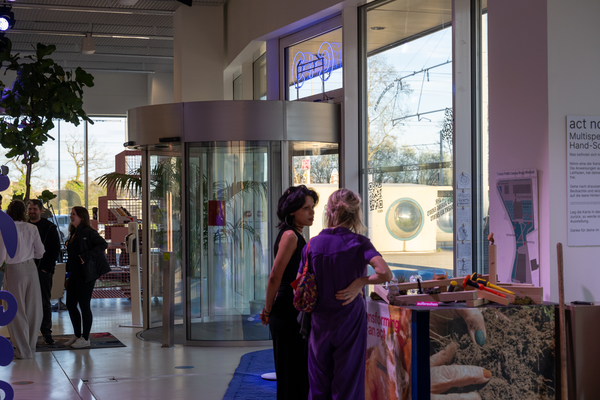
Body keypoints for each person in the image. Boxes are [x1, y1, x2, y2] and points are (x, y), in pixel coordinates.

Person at [301, 188, 392, 400]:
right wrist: (360, 282)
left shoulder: (312, 244)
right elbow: (385, 273)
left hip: (320, 321)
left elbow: (299, 283)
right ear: (355, 213)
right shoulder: (359, 243)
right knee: (349, 383)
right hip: (350, 320)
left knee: (318, 381)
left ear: (329, 211)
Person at [260, 185, 319, 400]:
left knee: (296, 372)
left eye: (312, 207)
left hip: (291, 308)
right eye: (306, 208)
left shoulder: (295, 235)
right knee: (291, 373)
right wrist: (267, 310)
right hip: (286, 310)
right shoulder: (290, 236)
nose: (312, 212)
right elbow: (275, 276)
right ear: (292, 211)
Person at [1, 200, 45, 359]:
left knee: (15, 310)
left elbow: (1, 256)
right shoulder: (32, 228)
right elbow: (40, 252)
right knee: (34, 309)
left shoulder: (5, 229)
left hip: (14, 270)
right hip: (31, 268)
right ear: (24, 212)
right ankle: (31, 347)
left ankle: (22, 350)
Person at [64, 206, 108, 349]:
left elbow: (103, 244)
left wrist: (86, 256)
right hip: (75, 274)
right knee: (70, 304)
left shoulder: (88, 232)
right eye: (71, 213)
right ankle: (77, 335)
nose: (71, 216)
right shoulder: (74, 233)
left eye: (74, 214)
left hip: (86, 275)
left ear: (81, 217)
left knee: (84, 306)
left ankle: (85, 338)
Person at [28, 199, 61, 345]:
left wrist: (46, 268)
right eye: (30, 209)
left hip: (43, 271)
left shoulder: (49, 227)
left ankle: (47, 333)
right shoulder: (24, 226)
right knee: (29, 303)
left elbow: (55, 249)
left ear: (41, 210)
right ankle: (30, 334)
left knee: (44, 302)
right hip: (27, 270)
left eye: (34, 209)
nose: (32, 212)